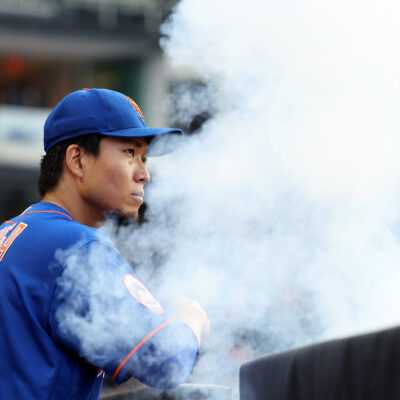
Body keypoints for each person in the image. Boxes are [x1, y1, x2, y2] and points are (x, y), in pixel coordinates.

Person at [0, 88, 210, 399]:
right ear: (77, 160)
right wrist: (189, 320)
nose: (144, 174)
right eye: (129, 152)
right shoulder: (75, 246)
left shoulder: (13, 231)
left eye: (144, 158)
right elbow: (165, 363)